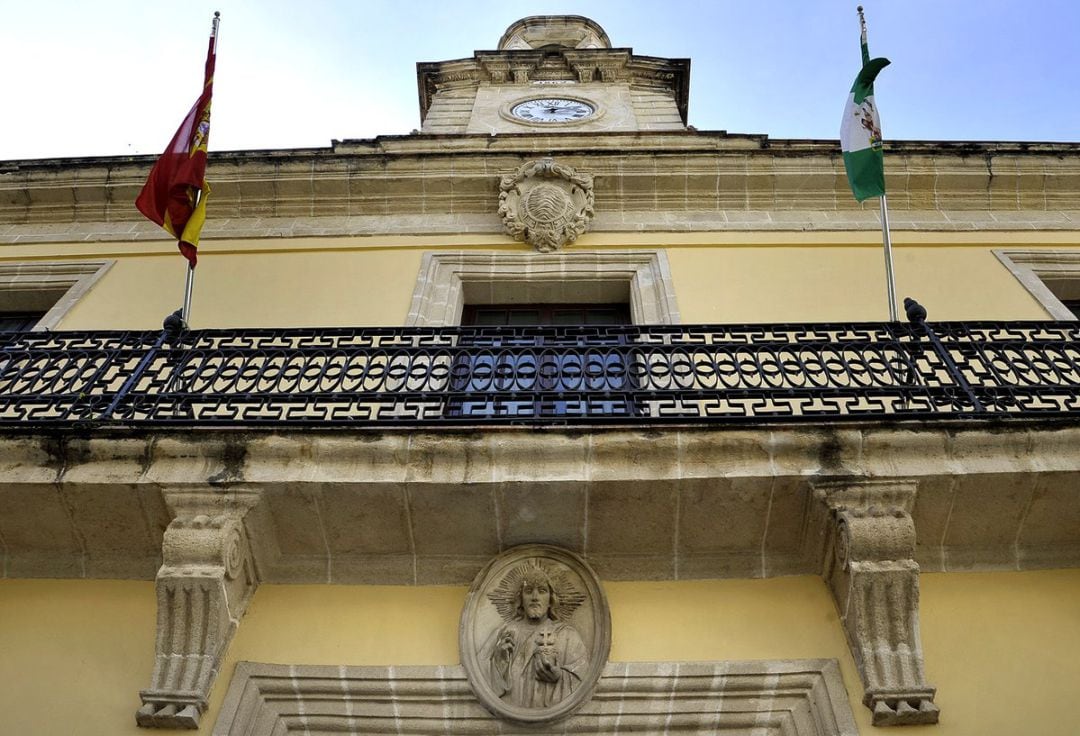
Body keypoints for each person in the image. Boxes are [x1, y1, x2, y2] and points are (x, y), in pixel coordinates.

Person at [480, 564, 588, 709]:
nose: (535, 597)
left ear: (551, 600)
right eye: (529, 591)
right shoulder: (504, 633)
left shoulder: (567, 635)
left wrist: (560, 676)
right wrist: (499, 661)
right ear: (521, 599)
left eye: (542, 591)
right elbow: (480, 675)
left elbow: (582, 677)